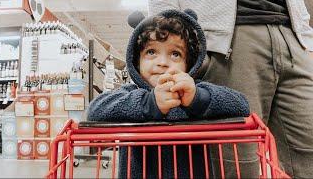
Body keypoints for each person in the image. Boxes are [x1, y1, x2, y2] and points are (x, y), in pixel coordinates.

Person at [148, 0, 313, 178]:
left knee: (308, 153)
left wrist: (307, 40)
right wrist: (169, 43)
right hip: (229, 39)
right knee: (238, 161)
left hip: (293, 37)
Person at [88, 9, 250, 178]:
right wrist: (149, 103)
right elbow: (94, 111)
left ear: (189, 63)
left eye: (175, 54)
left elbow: (241, 105)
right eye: (151, 52)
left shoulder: (194, 91)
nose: (163, 63)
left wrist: (198, 99)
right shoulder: (131, 93)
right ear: (137, 60)